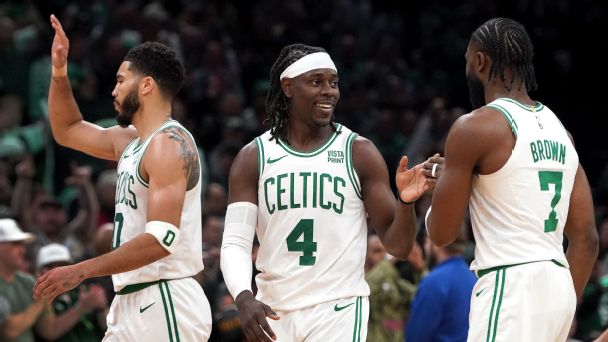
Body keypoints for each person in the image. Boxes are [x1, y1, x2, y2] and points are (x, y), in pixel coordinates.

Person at [220, 43, 441, 341]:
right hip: (273, 311)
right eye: (316, 82)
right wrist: (243, 296)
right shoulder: (253, 157)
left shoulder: (358, 152)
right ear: (288, 87)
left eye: (333, 83)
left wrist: (405, 202)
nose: (329, 91)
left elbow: (399, 247)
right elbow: (235, 241)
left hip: (339, 307)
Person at [33, 15, 212, 341]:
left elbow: (161, 240)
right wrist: (59, 73)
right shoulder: (131, 142)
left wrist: (79, 271)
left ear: (146, 85)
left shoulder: (169, 144)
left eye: (120, 80)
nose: (113, 89)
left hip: (164, 298)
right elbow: (67, 130)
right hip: (130, 299)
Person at [426, 17, 599, 341]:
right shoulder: (563, 133)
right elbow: (586, 239)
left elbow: (443, 234)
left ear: (480, 61)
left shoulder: (473, 128)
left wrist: (443, 186)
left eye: (467, 63)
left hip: (510, 284)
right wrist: (560, 303)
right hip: (559, 286)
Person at [405, 227, 477, 341]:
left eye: (425, 239)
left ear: (436, 241)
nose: (425, 246)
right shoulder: (473, 280)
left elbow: (416, 336)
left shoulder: (434, 281)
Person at [35, 243, 109, 342]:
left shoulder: (84, 291)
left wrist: (101, 307)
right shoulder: (38, 296)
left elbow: (108, 327)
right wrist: (83, 307)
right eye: (50, 267)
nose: (57, 272)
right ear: (39, 272)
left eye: (63, 266)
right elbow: (49, 332)